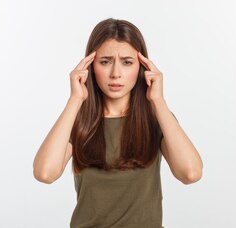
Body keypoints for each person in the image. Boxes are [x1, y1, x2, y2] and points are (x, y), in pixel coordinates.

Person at [33, 18, 203, 228]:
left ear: (142, 67)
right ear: (90, 66)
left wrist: (158, 101)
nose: (115, 73)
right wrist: (75, 100)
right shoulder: (79, 120)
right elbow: (45, 173)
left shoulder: (156, 117)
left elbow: (190, 173)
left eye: (127, 62)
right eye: (105, 61)